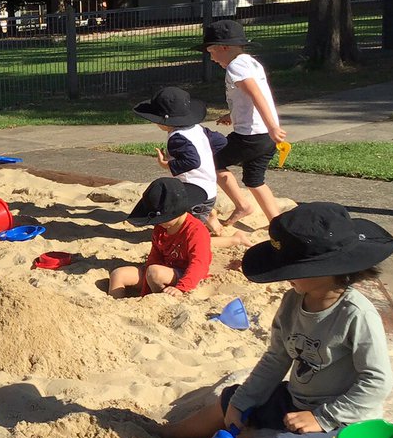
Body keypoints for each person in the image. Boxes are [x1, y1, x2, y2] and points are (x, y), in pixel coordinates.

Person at [160, 203, 393, 438]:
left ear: (330, 269)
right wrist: (244, 402)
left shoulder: (355, 314)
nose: (286, 276)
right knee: (231, 398)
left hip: (343, 422)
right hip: (297, 398)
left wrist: (321, 418)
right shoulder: (293, 300)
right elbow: (276, 358)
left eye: (294, 268)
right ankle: (168, 434)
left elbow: (376, 382)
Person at [132, 86, 252, 249]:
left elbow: (192, 161)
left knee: (189, 238)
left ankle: (234, 239)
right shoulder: (198, 128)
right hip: (207, 187)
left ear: (163, 121)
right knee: (195, 211)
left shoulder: (177, 138)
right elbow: (220, 142)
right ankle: (212, 219)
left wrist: (166, 164)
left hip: (196, 192)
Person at [196, 20, 287, 227]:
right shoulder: (250, 62)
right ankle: (277, 222)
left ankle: (242, 205)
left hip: (251, 136)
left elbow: (255, 94)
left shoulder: (235, 66)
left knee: (213, 162)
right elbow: (251, 97)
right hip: (263, 136)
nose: (211, 57)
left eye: (211, 52)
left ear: (223, 47)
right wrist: (232, 114)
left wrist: (273, 126)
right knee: (255, 180)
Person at [109, 178, 213, 299]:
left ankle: (161, 300)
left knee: (155, 273)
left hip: (187, 275)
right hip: (160, 270)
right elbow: (154, 257)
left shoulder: (196, 230)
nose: (158, 223)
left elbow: (199, 264)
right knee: (118, 274)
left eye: (162, 219)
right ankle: (114, 307)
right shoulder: (160, 228)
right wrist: (145, 291)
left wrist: (181, 287)